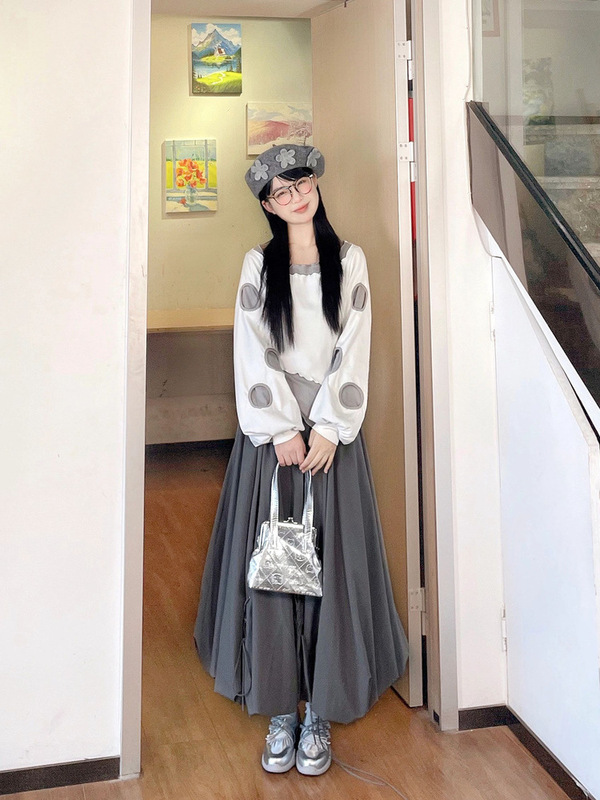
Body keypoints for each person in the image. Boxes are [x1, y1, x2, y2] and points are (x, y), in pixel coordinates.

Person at [194, 144, 409, 777]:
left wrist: (331, 430)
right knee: (276, 568)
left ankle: (319, 710)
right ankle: (280, 708)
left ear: (315, 185)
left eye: (302, 184)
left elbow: (355, 345)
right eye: (281, 192)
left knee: (328, 567)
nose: (295, 197)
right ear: (267, 204)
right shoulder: (258, 265)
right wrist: (284, 429)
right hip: (277, 441)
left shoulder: (351, 260)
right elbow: (252, 346)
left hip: (332, 440)